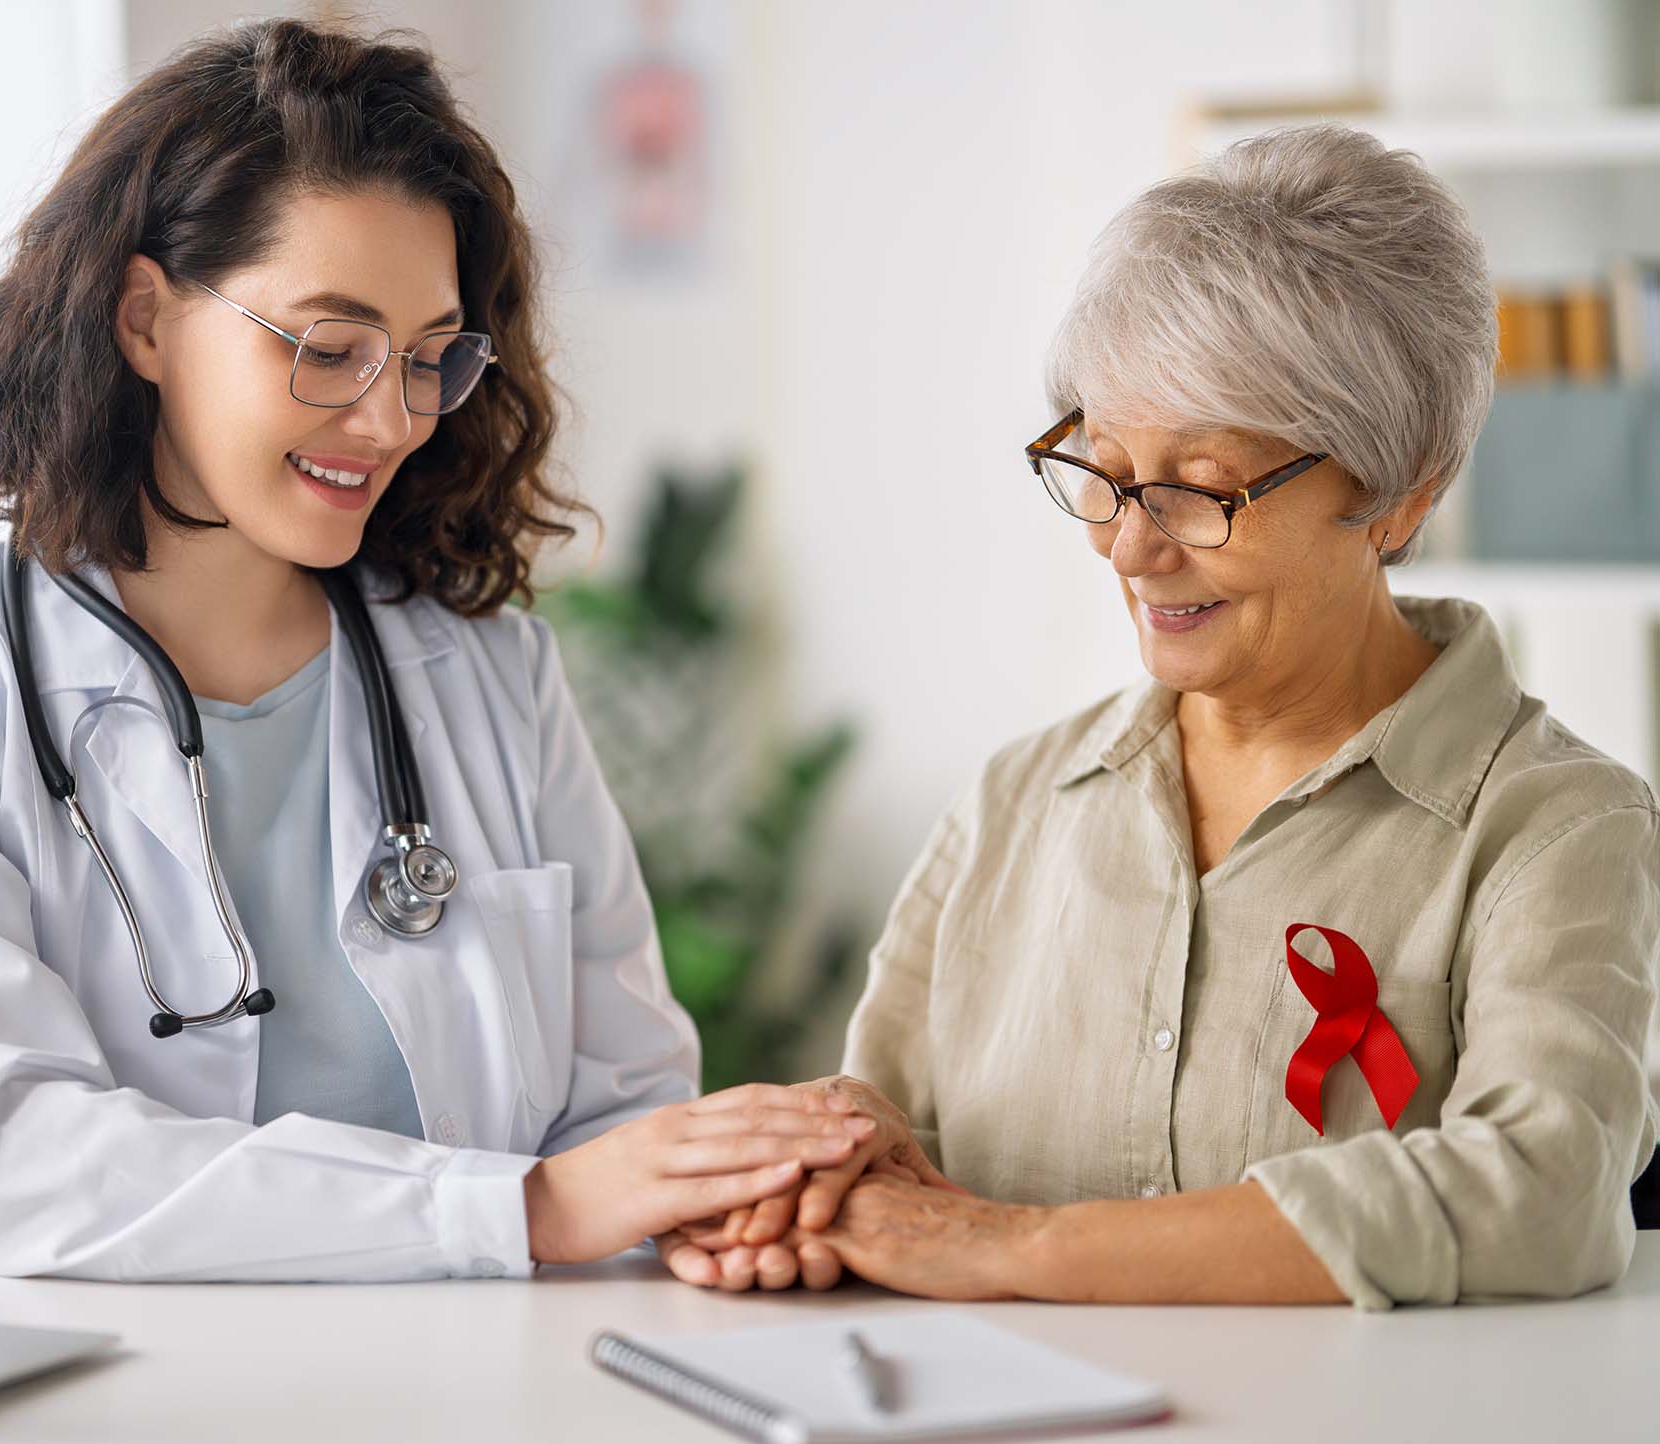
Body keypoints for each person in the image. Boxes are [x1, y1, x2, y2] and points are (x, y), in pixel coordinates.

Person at [0, 19, 871, 1284]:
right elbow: (19, 1167)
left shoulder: (491, 677)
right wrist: (509, 1210)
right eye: (328, 344)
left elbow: (624, 1111)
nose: (389, 417)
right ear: (144, 318)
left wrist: (724, 1200)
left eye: (430, 358)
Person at [661, 124, 1660, 1308]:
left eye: (1197, 487)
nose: (1128, 544)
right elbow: (889, 1137)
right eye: (1101, 466)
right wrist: (817, 1176)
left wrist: (1012, 1249)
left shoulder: (1555, 826)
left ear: (1398, 494)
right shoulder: (1012, 804)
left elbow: (1546, 1191)